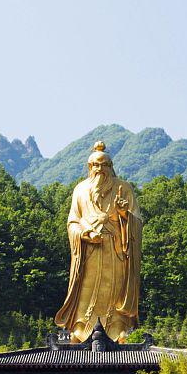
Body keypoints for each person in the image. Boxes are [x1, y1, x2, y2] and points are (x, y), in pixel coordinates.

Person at [55, 141, 143, 343]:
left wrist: (124, 215)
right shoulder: (80, 190)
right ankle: (80, 328)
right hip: (88, 252)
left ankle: (118, 328)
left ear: (111, 166)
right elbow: (72, 222)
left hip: (116, 250)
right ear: (89, 166)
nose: (100, 169)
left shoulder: (123, 188)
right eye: (96, 164)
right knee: (85, 290)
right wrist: (85, 233)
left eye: (104, 165)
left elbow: (137, 221)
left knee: (115, 290)